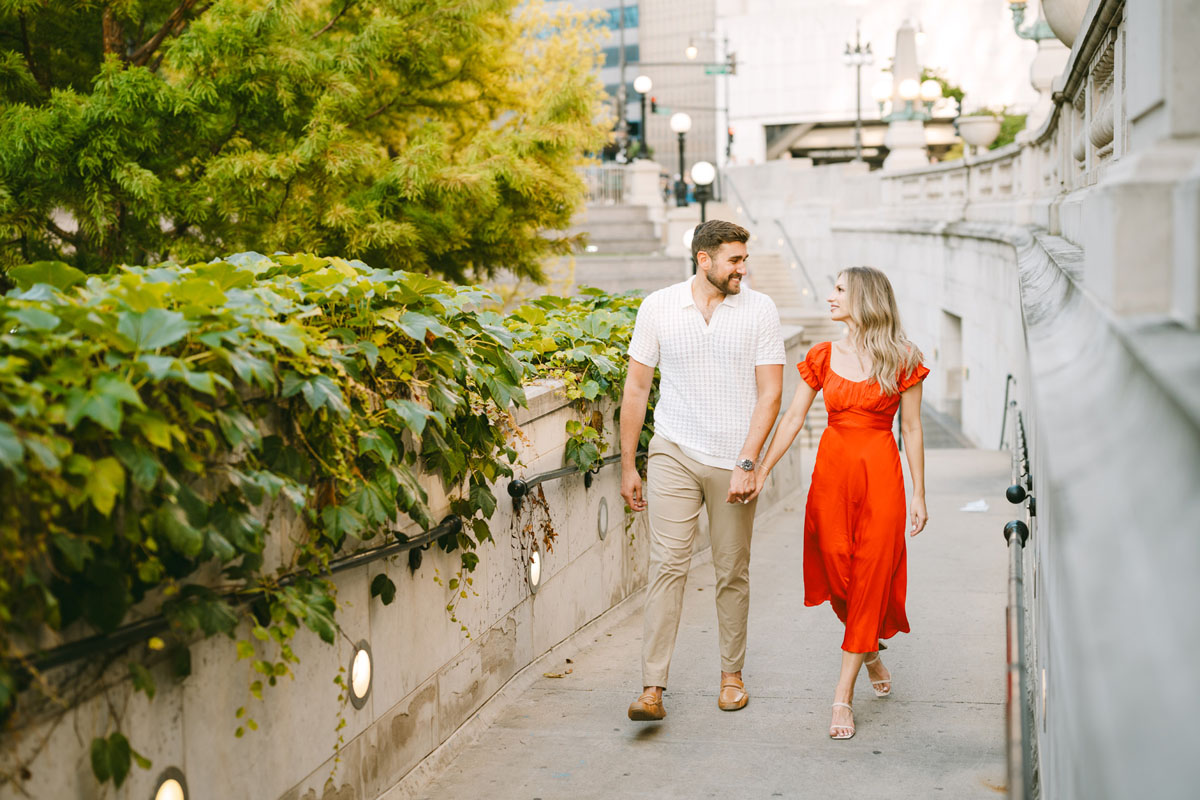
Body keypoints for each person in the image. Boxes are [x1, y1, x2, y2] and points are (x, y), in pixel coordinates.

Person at [749, 266, 929, 740]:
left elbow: (910, 428)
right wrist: (762, 469)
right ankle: (868, 651)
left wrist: (920, 493)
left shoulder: (904, 358)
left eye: (840, 290)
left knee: (871, 575)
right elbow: (791, 417)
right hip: (832, 476)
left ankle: (841, 697)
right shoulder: (822, 355)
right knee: (837, 570)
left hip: (882, 478)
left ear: (865, 299)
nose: (830, 297)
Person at [619, 219, 785, 721]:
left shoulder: (759, 309)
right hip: (673, 450)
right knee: (667, 565)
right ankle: (652, 688)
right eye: (734, 259)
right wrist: (629, 464)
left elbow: (771, 394)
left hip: (734, 459)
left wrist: (748, 462)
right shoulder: (659, 306)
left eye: (744, 258)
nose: (743, 268)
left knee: (731, 570)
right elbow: (636, 390)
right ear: (704, 259)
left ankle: (731, 676)